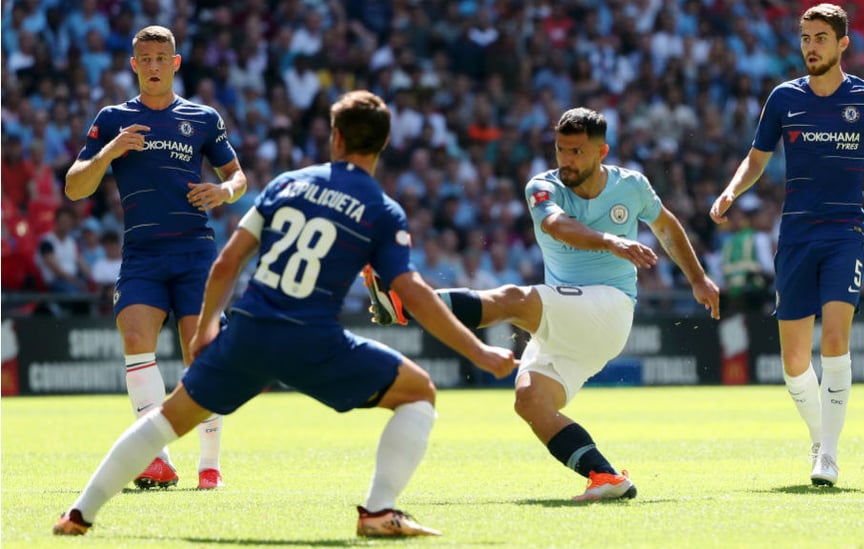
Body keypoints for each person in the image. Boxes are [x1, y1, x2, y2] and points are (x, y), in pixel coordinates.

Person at [53, 89, 518, 538]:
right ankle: (378, 511)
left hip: (249, 332)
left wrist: (207, 329)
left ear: (335, 138)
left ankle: (79, 513)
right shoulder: (382, 210)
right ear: (385, 143)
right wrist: (478, 351)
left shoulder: (286, 185)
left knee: (165, 421)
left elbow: (228, 262)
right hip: (314, 340)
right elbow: (412, 291)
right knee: (420, 393)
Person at [366, 107, 720, 501]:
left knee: (514, 299)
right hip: (568, 323)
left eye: (577, 152)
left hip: (610, 307)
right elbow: (555, 225)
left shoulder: (631, 185)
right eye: (561, 150)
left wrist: (698, 278)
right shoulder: (542, 186)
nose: (566, 160)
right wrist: (611, 241)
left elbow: (666, 226)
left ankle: (403, 305)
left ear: (602, 152)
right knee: (530, 399)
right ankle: (605, 477)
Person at [709, 4, 864, 487]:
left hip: (845, 233)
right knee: (795, 362)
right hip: (795, 235)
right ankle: (820, 439)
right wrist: (733, 189)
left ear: (843, 43)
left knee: (836, 341)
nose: (810, 47)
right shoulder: (783, 98)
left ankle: (829, 456)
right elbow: (756, 159)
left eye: (820, 38)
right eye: (805, 38)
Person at [63, 26, 248, 490]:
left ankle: (210, 466)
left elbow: (238, 176)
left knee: (199, 351)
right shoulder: (112, 119)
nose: (153, 67)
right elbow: (74, 186)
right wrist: (110, 150)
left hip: (194, 251)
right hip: (142, 253)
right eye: (144, 59)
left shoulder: (203, 118)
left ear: (176, 63)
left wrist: (223, 191)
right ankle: (156, 459)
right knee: (134, 338)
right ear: (133, 65)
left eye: (161, 58)